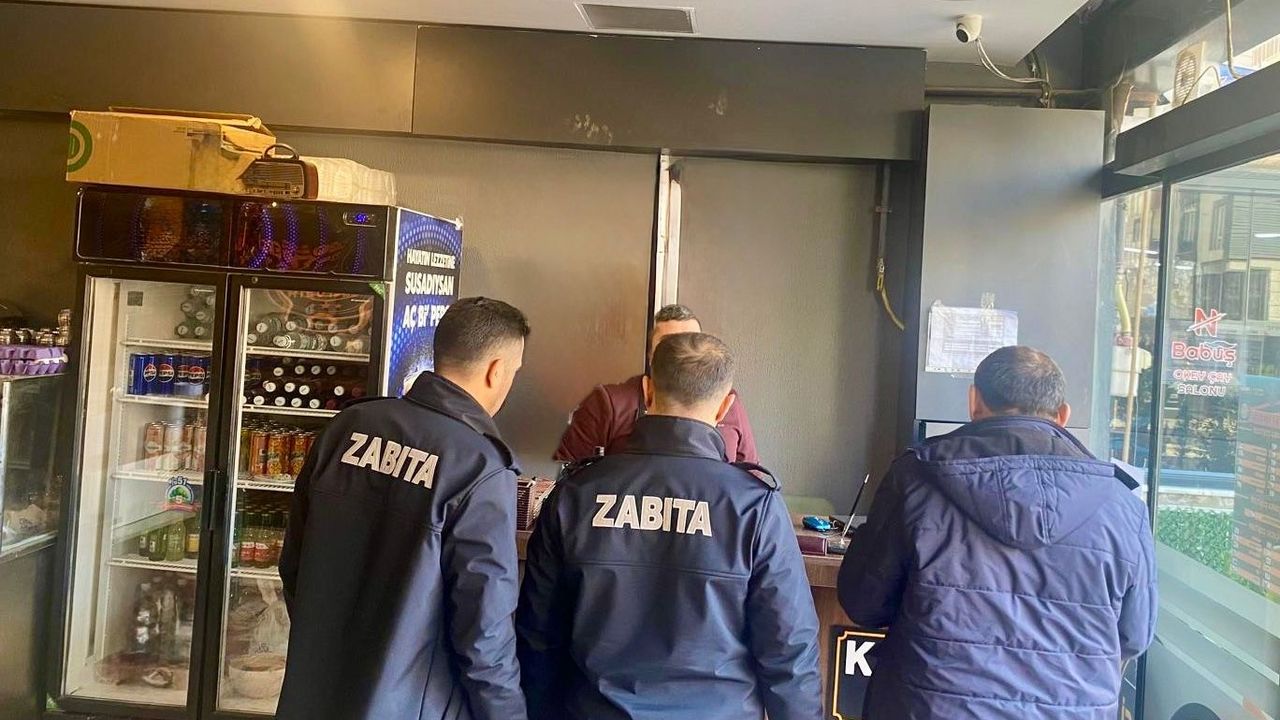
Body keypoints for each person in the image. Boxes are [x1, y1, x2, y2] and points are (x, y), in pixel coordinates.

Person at [837, 346, 1157, 720]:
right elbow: (1134, 636)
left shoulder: (914, 480)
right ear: (1063, 415)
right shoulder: (1124, 506)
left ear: (974, 402)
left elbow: (864, 603)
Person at [518, 332, 822, 720]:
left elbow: (538, 636)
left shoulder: (577, 493)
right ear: (725, 406)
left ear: (647, 392)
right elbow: (789, 650)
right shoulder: (753, 506)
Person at [278, 297, 531, 720]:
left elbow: (294, 565)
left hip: (316, 692)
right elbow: (483, 632)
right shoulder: (479, 467)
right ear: (496, 370)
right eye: (515, 371)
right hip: (413, 705)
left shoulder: (348, 426)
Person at [554, 304, 759, 463]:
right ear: (651, 355)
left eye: (691, 342)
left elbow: (752, 477)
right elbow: (568, 473)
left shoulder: (727, 399)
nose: (681, 353)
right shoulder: (609, 403)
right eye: (668, 345)